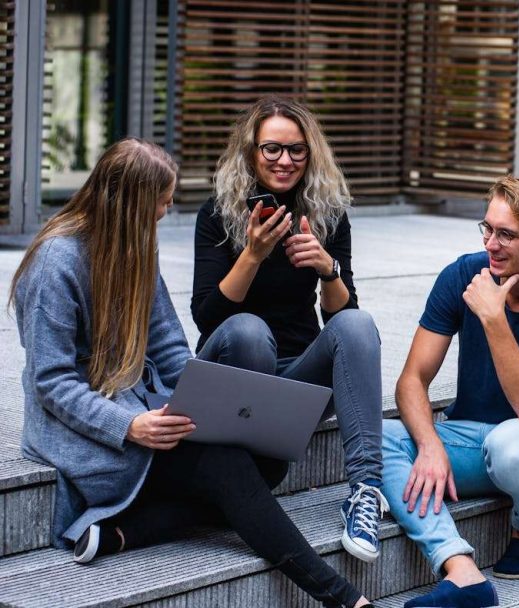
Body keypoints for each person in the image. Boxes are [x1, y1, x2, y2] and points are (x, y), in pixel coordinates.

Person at [10, 138, 375, 608]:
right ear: (131, 203)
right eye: (161, 204)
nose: (164, 213)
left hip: (146, 410)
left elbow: (168, 347)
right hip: (89, 432)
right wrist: (130, 426)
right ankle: (342, 597)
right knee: (228, 467)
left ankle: (130, 530)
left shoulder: (135, 246)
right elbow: (52, 381)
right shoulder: (55, 263)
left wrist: (203, 401)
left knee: (267, 464)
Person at [382, 176, 519, 608]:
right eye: (487, 229)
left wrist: (494, 318)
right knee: (378, 437)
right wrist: (429, 445)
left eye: (506, 234)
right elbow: (412, 379)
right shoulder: (462, 274)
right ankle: (460, 571)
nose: (491, 243)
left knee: (513, 445)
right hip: (468, 436)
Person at [191, 96, 387, 564]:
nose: (285, 160)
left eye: (297, 150)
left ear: (311, 153)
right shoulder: (218, 214)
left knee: (358, 324)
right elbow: (207, 317)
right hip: (233, 373)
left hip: (295, 382)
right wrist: (253, 254)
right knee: (248, 331)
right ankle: (246, 471)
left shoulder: (328, 214)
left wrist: (328, 269)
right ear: (251, 152)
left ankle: (364, 491)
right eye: (272, 149)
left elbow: (343, 319)